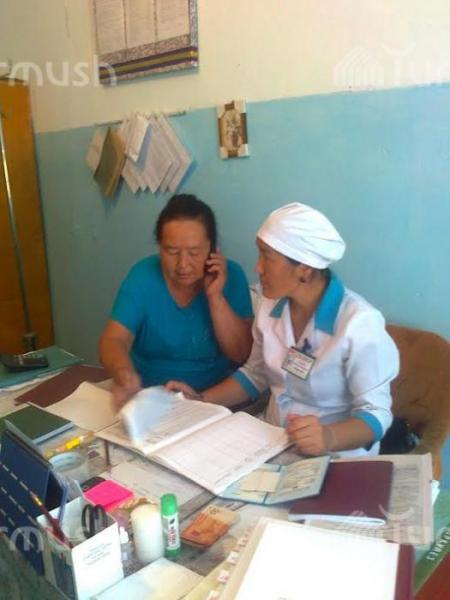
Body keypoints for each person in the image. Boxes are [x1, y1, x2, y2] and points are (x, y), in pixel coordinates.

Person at [168, 202, 400, 458]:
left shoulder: (359, 324)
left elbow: (376, 415)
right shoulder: (270, 307)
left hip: (334, 456)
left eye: (267, 256)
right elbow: (255, 374)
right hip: (272, 440)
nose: (258, 267)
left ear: (304, 268)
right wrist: (201, 401)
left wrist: (328, 436)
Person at [99, 194, 253, 409]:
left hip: (210, 400)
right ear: (160, 247)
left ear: (212, 249)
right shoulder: (142, 276)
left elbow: (242, 354)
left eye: (194, 253)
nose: (183, 265)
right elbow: (113, 339)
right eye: (171, 251)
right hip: (147, 398)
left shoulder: (231, 276)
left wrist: (216, 297)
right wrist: (124, 374)